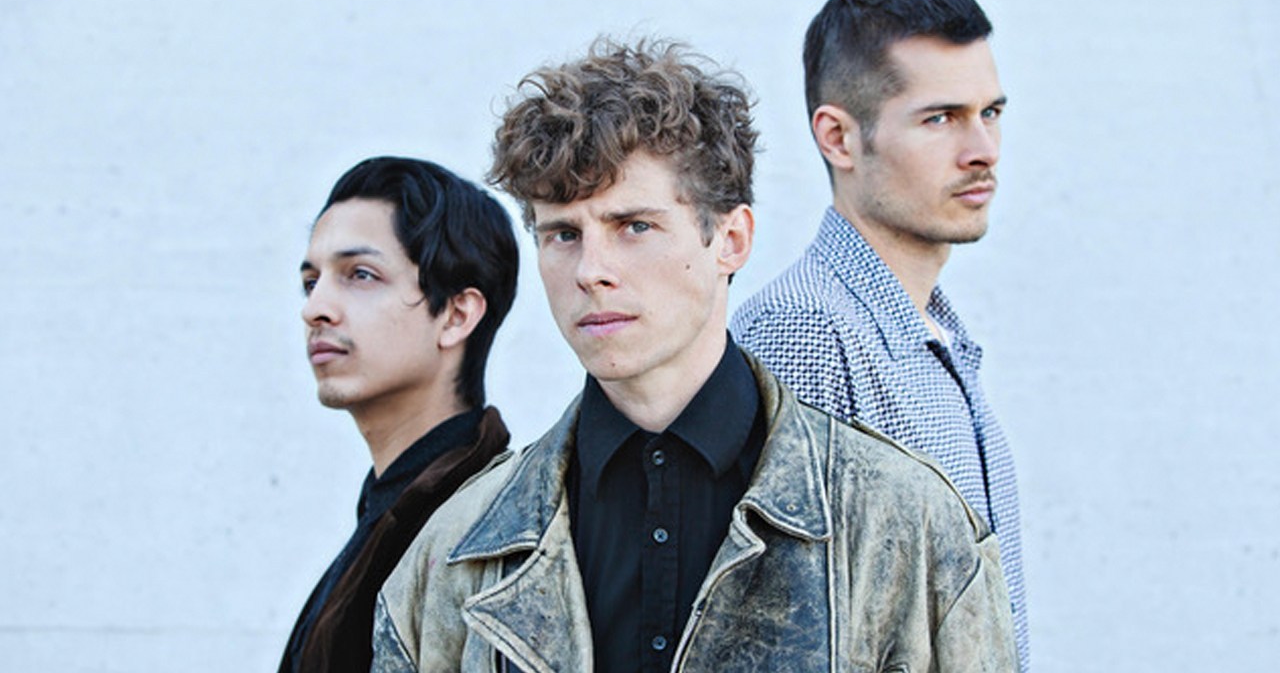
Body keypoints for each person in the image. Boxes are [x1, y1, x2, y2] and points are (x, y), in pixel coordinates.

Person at [372, 39, 1017, 672]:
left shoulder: (908, 524)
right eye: (563, 234)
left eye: (635, 226)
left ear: (730, 240)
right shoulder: (454, 553)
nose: (591, 271)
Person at [730, 0, 1029, 668]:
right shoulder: (805, 331)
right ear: (838, 137)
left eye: (990, 113)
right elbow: (782, 634)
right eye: (940, 118)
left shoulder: (936, 333)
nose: (982, 150)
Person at [278, 156, 519, 673]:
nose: (315, 308)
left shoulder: (481, 535)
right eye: (311, 281)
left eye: (360, 275)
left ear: (455, 315)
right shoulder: (397, 509)